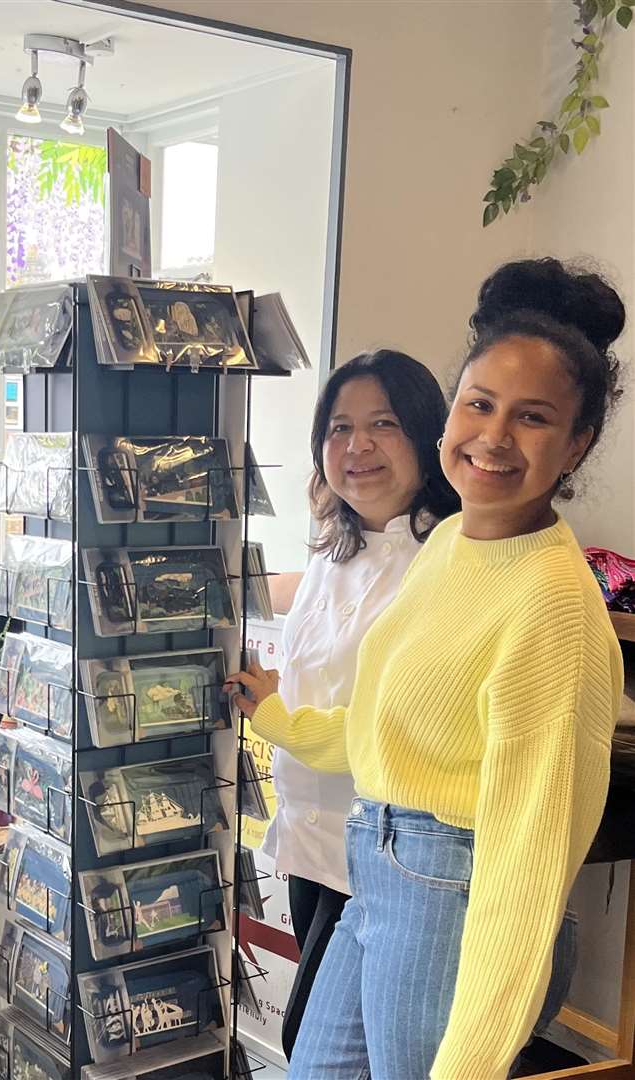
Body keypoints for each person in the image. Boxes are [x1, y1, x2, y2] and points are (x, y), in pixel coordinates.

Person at [230, 258, 625, 1079]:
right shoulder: (447, 545)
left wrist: (475, 1057)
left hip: (453, 892)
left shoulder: (553, 600)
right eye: (479, 404)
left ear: (577, 443)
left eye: (534, 418)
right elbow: (390, 724)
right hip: (375, 864)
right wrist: (277, 721)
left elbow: (531, 856)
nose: (493, 436)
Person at [267, 349, 459, 1062]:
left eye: (383, 424)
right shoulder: (336, 544)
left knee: (329, 1047)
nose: (358, 446)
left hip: (386, 849)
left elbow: (392, 725)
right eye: (340, 427)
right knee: (323, 1036)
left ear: (427, 436)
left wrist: (270, 716)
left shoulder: (444, 556)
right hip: (311, 832)